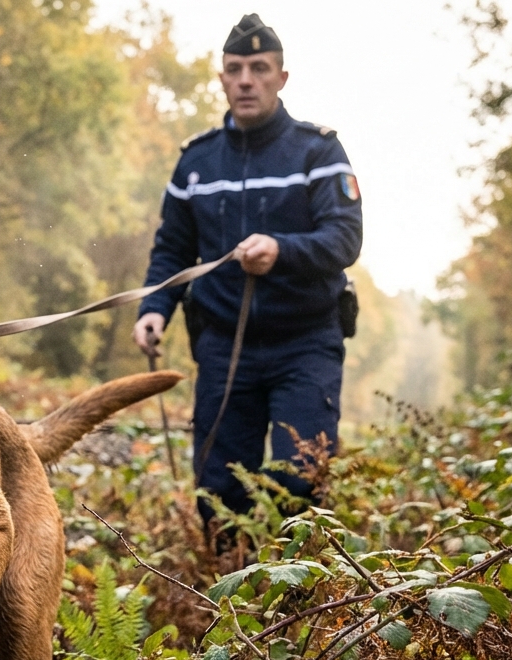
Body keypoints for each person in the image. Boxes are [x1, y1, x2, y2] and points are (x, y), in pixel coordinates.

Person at [132, 13, 363, 522]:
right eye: (235, 68)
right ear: (221, 79)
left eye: (259, 68)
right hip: (221, 350)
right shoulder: (197, 162)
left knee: (298, 484)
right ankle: (223, 596)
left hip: (306, 344)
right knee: (219, 496)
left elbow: (345, 240)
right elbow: (171, 250)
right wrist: (154, 309)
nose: (245, 79)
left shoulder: (319, 151)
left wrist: (282, 251)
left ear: (282, 77)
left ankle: (299, 599)